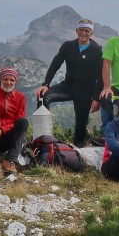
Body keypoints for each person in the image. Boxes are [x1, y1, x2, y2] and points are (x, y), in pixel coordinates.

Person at [34, 19, 103, 147]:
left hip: (86, 91)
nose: (83, 33)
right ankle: (41, 138)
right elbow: (55, 64)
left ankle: (78, 149)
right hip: (67, 86)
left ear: (91, 33)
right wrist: (46, 84)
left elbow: (100, 76)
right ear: (76, 31)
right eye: (81, 30)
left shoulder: (97, 50)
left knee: (81, 125)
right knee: (43, 97)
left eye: (86, 31)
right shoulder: (68, 46)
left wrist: (96, 97)